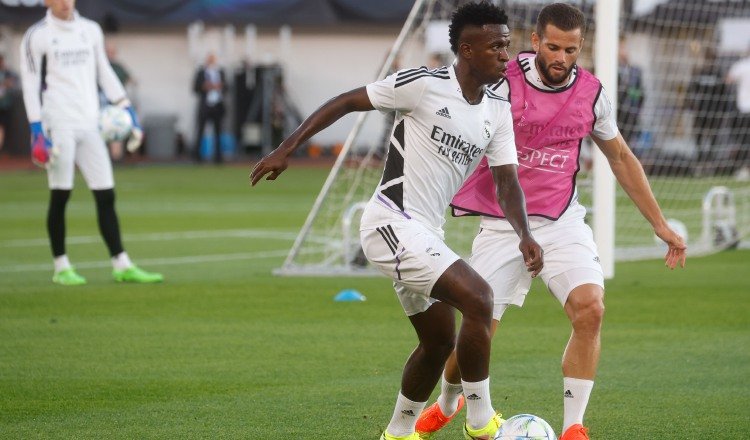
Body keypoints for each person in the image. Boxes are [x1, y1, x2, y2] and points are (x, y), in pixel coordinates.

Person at [250, 3, 543, 439]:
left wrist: (525, 233)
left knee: (438, 342)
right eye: (496, 46)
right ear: (467, 49)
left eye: (507, 44)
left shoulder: (497, 110)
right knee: (480, 298)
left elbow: (507, 183)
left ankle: (397, 433)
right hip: (389, 223)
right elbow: (348, 100)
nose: (506, 54)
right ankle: (482, 424)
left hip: (426, 231)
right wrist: (287, 146)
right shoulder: (424, 85)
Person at [416, 4, 687, 440]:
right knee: (477, 330)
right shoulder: (501, 78)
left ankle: (573, 426)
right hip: (503, 225)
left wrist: (660, 224)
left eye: (572, 49)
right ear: (537, 41)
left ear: (583, 47)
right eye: (554, 47)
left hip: (562, 221)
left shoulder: (593, 95)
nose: (562, 57)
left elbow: (619, 156)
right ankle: (449, 403)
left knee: (591, 309)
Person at [19, 0, 163, 286]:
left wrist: (126, 106)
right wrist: (37, 129)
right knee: (61, 194)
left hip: (90, 123)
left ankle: (121, 264)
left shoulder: (90, 30)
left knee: (106, 194)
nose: (64, 3)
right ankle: (61, 266)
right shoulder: (37, 35)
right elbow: (30, 83)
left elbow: (104, 70)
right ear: (46, 1)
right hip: (57, 123)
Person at [687, 47, 731, 165]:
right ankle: (700, 157)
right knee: (699, 134)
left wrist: (723, 110)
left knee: (713, 136)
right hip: (701, 109)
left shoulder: (718, 74)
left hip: (714, 110)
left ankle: (710, 159)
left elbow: (724, 93)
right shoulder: (699, 72)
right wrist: (692, 105)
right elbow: (691, 90)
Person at [193, 52, 227, 164]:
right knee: (200, 132)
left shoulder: (220, 72)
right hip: (205, 106)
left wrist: (220, 86)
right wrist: (204, 86)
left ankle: (218, 158)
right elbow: (195, 88)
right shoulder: (201, 72)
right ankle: (197, 157)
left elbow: (227, 87)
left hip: (217, 105)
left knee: (218, 132)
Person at [616, 37, 644, 146]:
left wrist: (635, 109)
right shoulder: (608, 69)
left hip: (631, 118)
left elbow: (641, 94)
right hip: (615, 117)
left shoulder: (636, 72)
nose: (623, 51)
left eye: (624, 48)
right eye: (621, 48)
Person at [726, 49, 750, 175]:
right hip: (744, 108)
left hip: (744, 108)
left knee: (743, 140)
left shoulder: (741, 65)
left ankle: (744, 169)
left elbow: (728, 79)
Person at [0, 53, 18, 151]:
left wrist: (8, 83)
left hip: (5, 106)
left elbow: (16, 81)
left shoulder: (8, 72)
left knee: (6, 127)